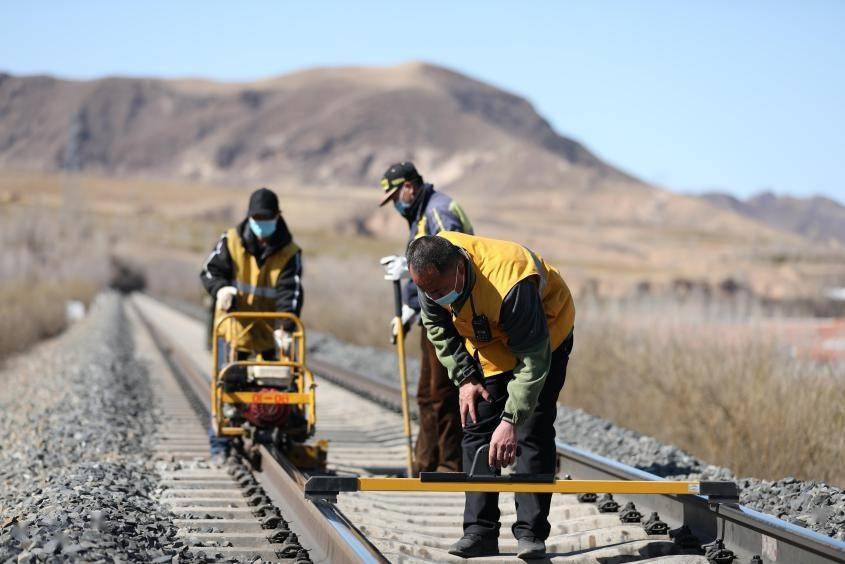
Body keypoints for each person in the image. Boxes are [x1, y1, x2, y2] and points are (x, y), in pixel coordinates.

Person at [406, 232, 575, 559]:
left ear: (458, 267)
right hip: (489, 337)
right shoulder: (430, 275)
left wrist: (511, 420)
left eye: (439, 291)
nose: (435, 297)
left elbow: (532, 362)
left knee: (531, 428)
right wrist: (465, 377)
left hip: (544, 334)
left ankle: (531, 534)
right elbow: (438, 330)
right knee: (476, 424)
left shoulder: (510, 281)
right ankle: (479, 532)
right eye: (428, 292)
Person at [378, 162, 474, 475]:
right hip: (432, 311)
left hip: (450, 313)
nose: (395, 203)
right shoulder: (420, 214)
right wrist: (408, 309)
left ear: (409, 186)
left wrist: (408, 270)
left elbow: (449, 260)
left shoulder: (438, 211)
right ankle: (426, 464)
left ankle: (449, 464)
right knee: (426, 394)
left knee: (442, 392)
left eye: (395, 195)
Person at [200, 187, 303, 455]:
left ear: (278, 217)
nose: (262, 224)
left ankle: (277, 430)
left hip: (270, 331)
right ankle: (220, 445)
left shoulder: (289, 252)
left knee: (277, 385)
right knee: (227, 385)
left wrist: (286, 327)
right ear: (248, 217)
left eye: (267, 218)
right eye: (257, 218)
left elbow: (289, 292)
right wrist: (221, 289)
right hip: (234, 328)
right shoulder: (231, 241)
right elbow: (210, 271)